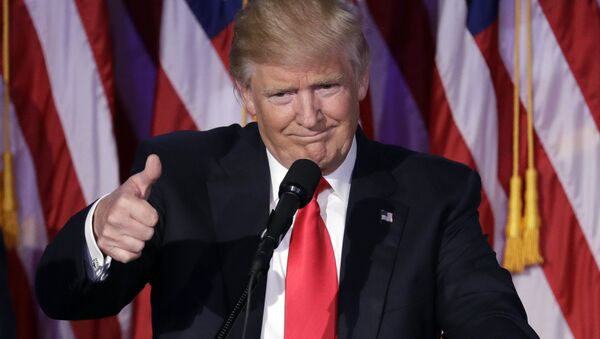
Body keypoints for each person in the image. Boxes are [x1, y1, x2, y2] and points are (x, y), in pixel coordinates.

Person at [35, 0, 539, 338]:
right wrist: (99, 233)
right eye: (282, 94)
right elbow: (66, 298)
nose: (310, 117)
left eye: (326, 86)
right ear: (246, 96)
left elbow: (487, 313)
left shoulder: (435, 193)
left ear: (361, 79)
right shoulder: (182, 176)